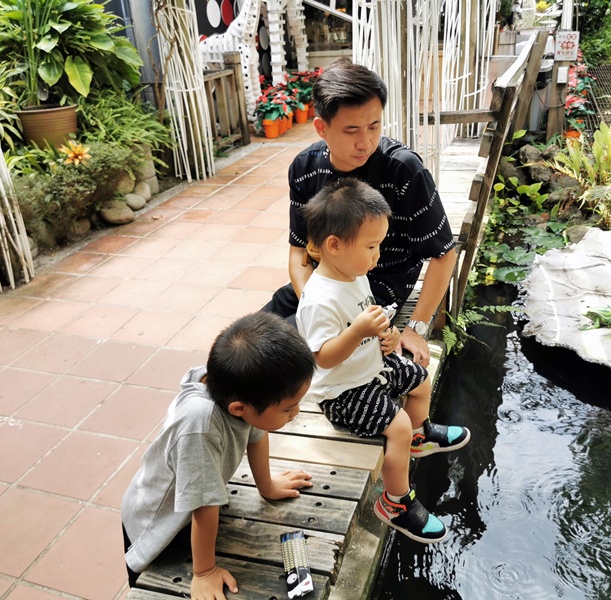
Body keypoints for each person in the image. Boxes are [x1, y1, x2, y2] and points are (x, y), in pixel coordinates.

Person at [295, 178, 470, 544]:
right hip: (343, 392)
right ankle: (395, 503)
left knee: (420, 378)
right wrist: (359, 332)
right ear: (334, 245)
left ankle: (421, 436)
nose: (377, 256)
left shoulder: (353, 274)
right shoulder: (318, 299)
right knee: (398, 425)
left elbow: (370, 317)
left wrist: (385, 335)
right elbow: (322, 359)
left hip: (371, 367)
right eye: (372, 246)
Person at [262, 57, 457, 369]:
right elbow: (299, 252)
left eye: (374, 126)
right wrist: (313, 301)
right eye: (351, 130)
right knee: (249, 340)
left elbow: (444, 253)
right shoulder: (304, 168)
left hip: (372, 296)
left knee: (278, 357)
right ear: (321, 128)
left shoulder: (404, 171)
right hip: (318, 283)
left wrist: (416, 328)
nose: (365, 141)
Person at [121, 312, 315, 598]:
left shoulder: (235, 386)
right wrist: (204, 572)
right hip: (155, 523)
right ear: (239, 408)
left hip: (191, 505)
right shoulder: (199, 426)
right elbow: (203, 507)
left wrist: (268, 485)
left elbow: (256, 433)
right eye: (288, 408)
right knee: (146, 588)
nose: (295, 413)